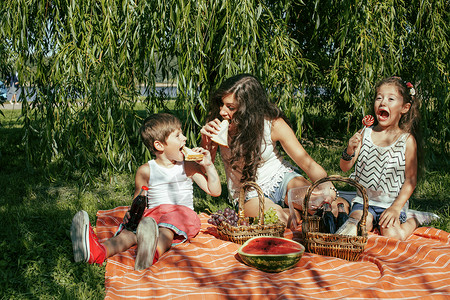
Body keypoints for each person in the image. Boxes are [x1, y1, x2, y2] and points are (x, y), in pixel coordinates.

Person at [71, 113, 221, 270]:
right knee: (130, 233)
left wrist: (208, 165)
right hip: (153, 216)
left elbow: (214, 191)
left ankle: (151, 252)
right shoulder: (145, 170)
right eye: (178, 135)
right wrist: (132, 215)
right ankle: (98, 251)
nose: (184, 138)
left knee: (166, 229)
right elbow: (139, 199)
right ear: (159, 145)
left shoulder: (188, 166)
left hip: (182, 215)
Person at [201, 74, 345, 224]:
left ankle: (301, 207)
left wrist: (330, 189)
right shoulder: (216, 125)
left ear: (248, 109)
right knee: (276, 219)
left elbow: (307, 163)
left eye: (230, 107)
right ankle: (293, 211)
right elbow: (205, 168)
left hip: (281, 179)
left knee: (326, 207)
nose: (222, 111)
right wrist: (206, 142)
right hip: (248, 193)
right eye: (221, 104)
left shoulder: (272, 124)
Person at [340, 76, 423, 241]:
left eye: (390, 99)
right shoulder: (365, 133)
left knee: (392, 235)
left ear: (405, 108)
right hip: (363, 201)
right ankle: (364, 221)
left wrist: (396, 208)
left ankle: (415, 220)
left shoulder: (407, 140)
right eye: (379, 97)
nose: (383, 102)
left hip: (392, 203)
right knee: (354, 227)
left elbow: (411, 180)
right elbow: (344, 167)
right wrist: (349, 149)